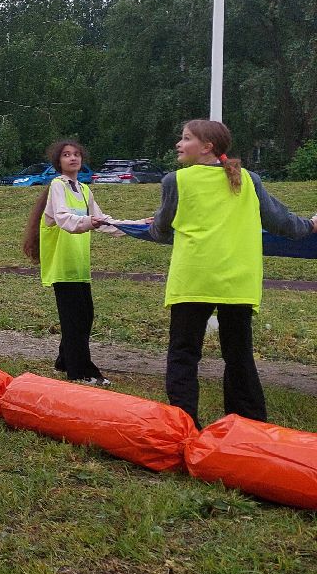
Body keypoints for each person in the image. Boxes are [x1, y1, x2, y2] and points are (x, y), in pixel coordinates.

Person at [148, 119, 316, 426]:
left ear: (207, 147)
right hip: (237, 281)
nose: (179, 143)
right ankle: (249, 425)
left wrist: (156, 223)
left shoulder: (175, 181)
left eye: (185, 138)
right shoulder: (249, 179)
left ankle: (184, 425)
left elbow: (160, 231)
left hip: (193, 280)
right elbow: (282, 223)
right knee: (239, 356)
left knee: (184, 354)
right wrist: (312, 225)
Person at [20, 140, 126, 387]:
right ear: (58, 161)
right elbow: (65, 219)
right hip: (62, 266)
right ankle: (80, 371)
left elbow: (103, 221)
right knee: (74, 320)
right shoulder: (58, 186)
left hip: (79, 267)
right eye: (67, 155)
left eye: (77, 154)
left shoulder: (85, 190)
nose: (73, 158)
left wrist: (136, 226)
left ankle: (64, 359)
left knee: (84, 316)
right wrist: (91, 221)